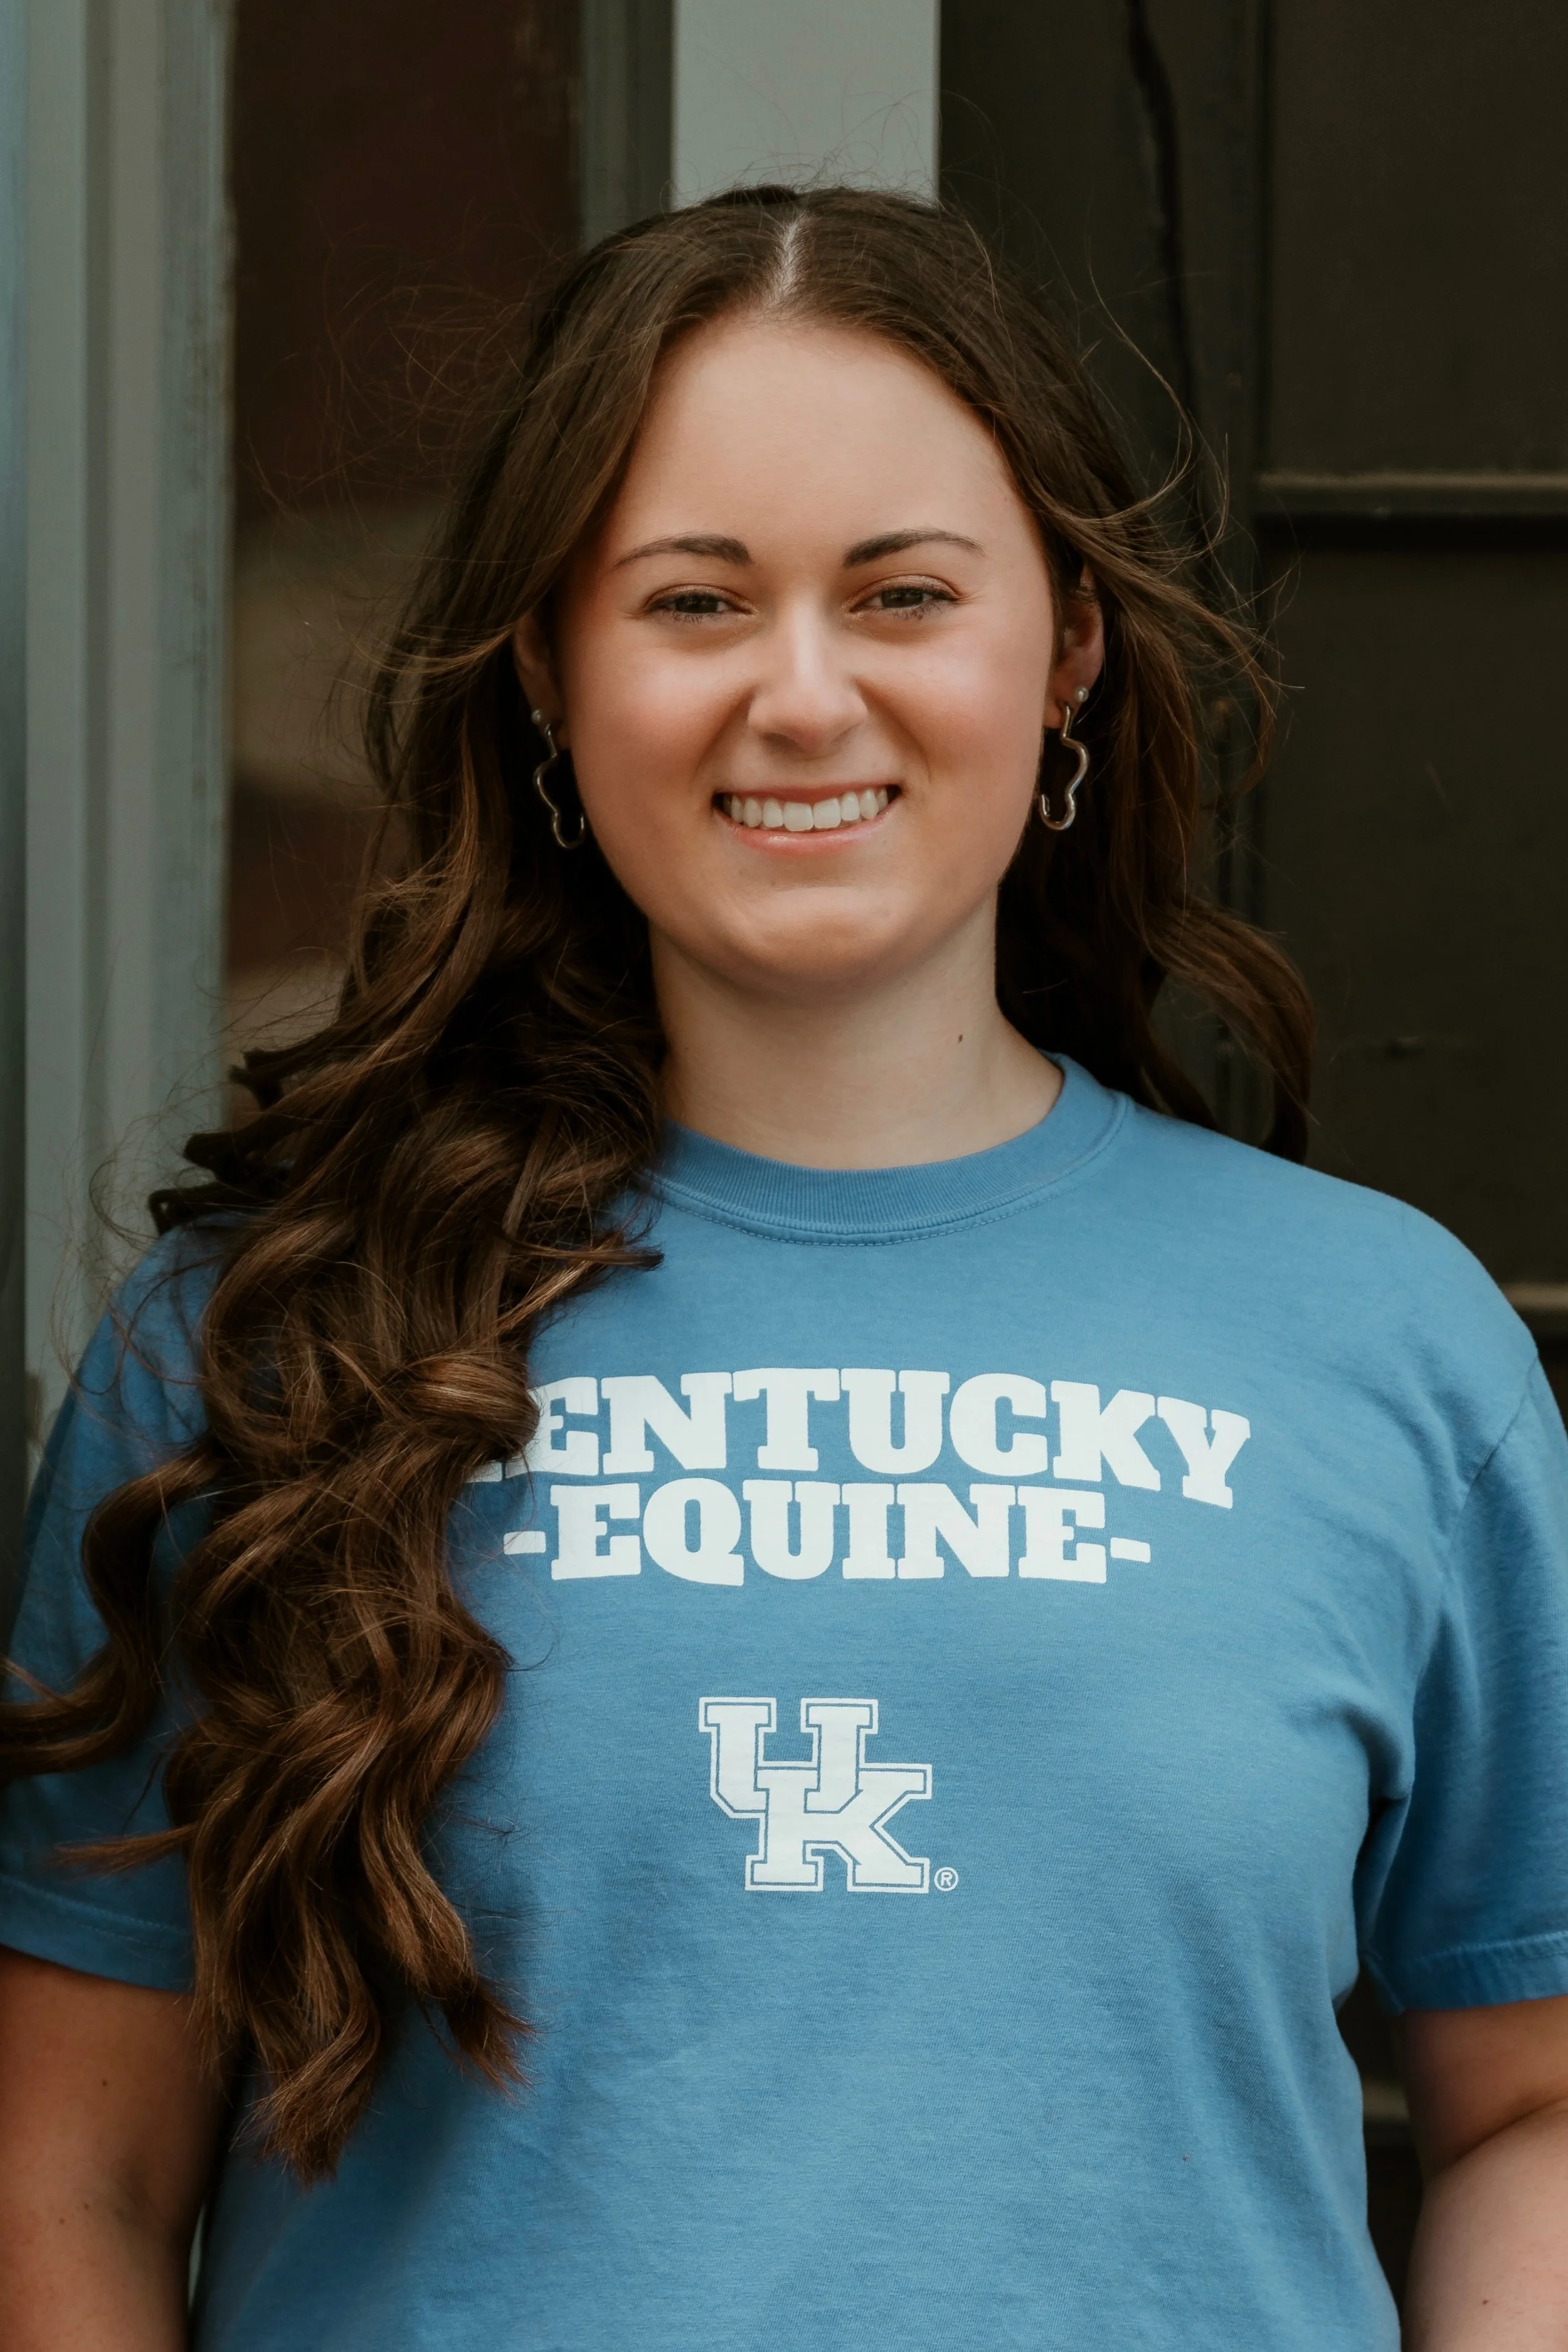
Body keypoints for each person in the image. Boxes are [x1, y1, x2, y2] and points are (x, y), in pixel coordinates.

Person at [2, 186, 1566, 2352]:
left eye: (905, 592)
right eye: (694, 599)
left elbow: (1530, 2104)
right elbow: (69, 2175)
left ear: (1069, 643)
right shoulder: (262, 1344)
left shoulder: (1387, 1344)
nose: (802, 694)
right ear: (550, 666)